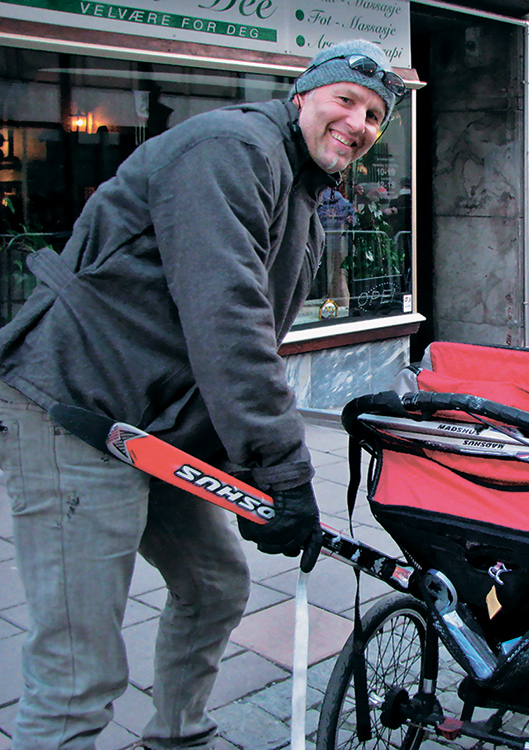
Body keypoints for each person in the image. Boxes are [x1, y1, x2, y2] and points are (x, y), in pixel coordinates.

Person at [0, 39, 403, 750]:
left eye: (374, 115)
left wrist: (251, 473)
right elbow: (228, 321)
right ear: (303, 93)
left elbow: (225, 346)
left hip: (151, 428)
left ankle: (180, 734)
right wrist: (282, 470)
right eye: (346, 99)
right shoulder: (231, 149)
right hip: (77, 406)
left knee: (215, 585)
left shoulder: (298, 191)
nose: (359, 122)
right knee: (79, 672)